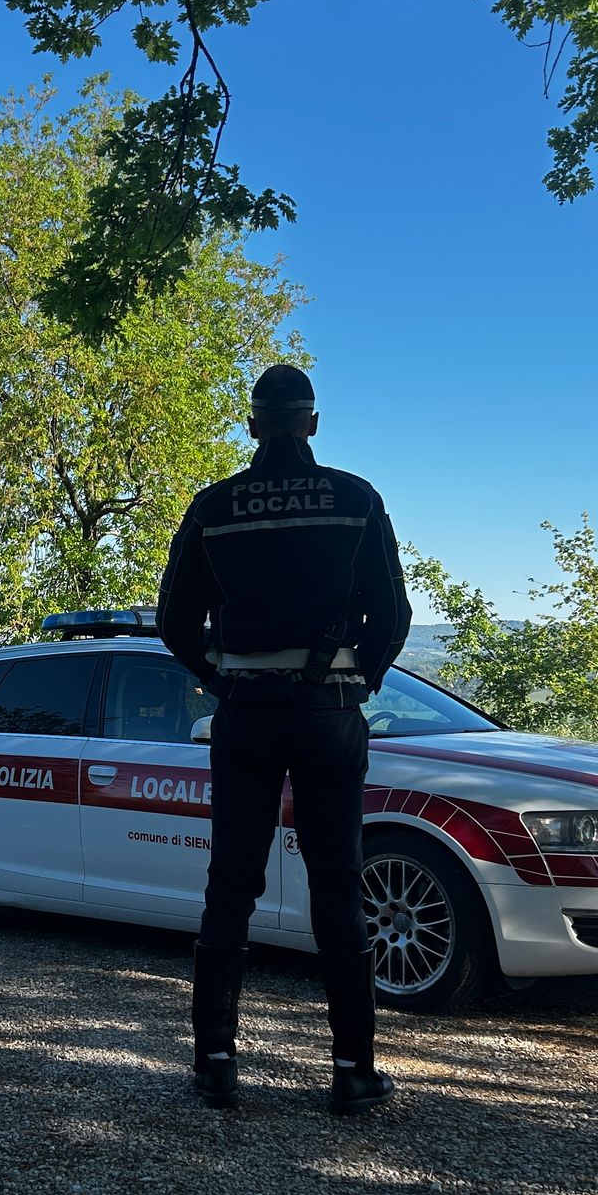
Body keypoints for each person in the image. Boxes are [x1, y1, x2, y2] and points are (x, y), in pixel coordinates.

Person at [156, 363, 413, 1115]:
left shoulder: (215, 507)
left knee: (231, 883)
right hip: (330, 712)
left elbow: (174, 622)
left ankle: (215, 1063)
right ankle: (353, 1069)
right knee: (339, 882)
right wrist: (357, 681)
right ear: (312, 423)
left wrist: (222, 676)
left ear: (251, 425)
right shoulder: (357, 501)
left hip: (246, 712)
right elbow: (392, 616)